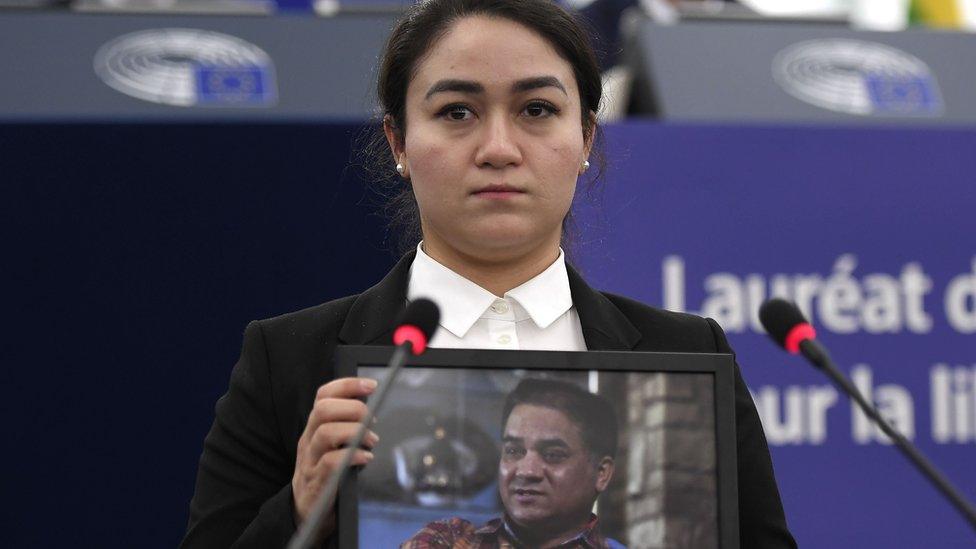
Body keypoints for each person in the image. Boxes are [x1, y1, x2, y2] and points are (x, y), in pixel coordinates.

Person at [181, 1, 797, 547]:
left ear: (585, 136)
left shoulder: (687, 353)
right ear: (398, 141)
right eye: (456, 112)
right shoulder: (289, 361)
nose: (498, 147)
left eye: (536, 108)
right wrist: (299, 511)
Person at [402, 378, 623, 548]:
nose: (526, 471)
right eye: (514, 450)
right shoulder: (448, 540)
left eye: (554, 455)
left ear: (601, 473)